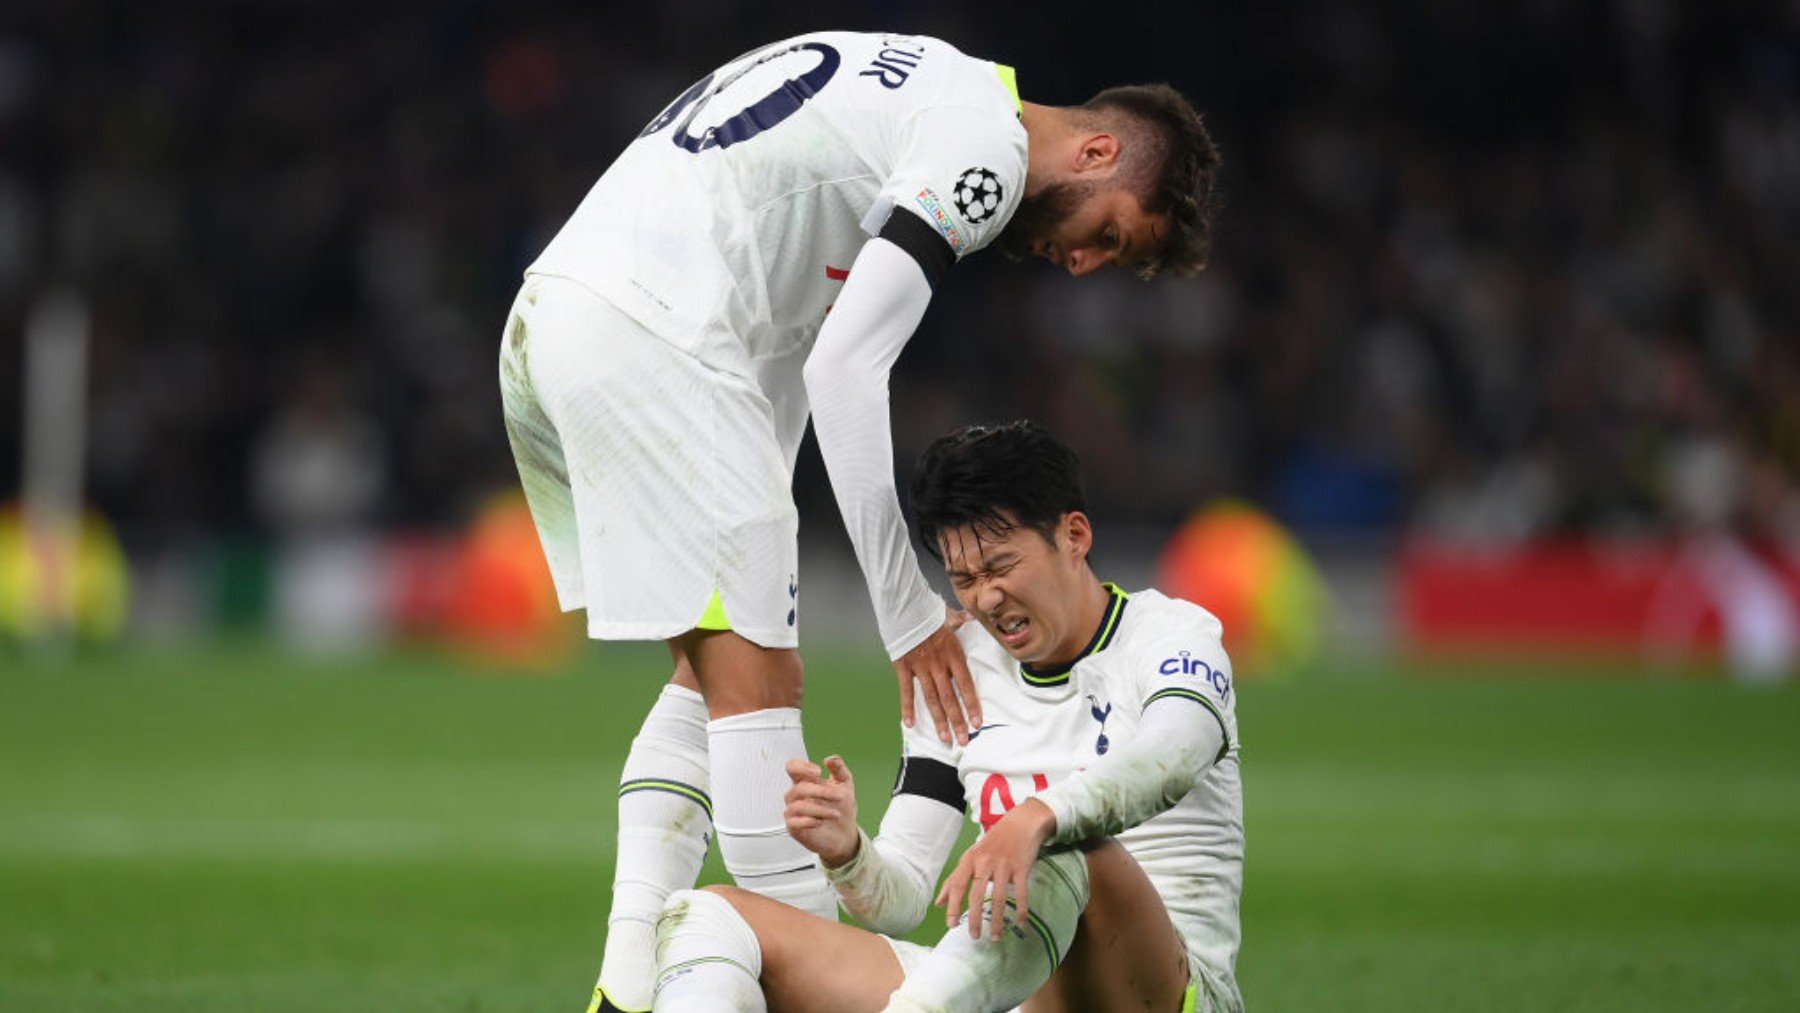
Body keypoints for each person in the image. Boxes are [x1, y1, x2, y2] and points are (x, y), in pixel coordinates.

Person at [498, 30, 1221, 1012]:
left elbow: (799, 350)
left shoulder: (920, 87)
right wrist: (907, 607)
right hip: (651, 327)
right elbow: (846, 365)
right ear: (1097, 155)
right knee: (760, 675)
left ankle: (628, 985)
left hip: (561, 313)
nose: (1083, 262)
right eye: (1112, 233)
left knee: (707, 667)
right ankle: (764, 976)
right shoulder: (986, 152)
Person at [650, 421, 1244, 1012]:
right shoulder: (959, 671)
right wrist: (849, 854)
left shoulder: (1171, 636)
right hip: (1006, 991)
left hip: (1162, 992)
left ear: (1074, 535)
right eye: (964, 579)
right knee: (708, 916)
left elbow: (1174, 751)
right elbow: (904, 899)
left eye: (1001, 567)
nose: (985, 599)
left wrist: (1033, 819)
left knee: (1063, 847)